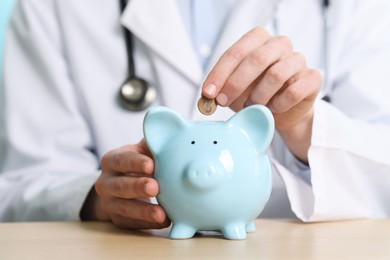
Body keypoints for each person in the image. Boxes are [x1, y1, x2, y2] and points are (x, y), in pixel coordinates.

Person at [1, 0, 390, 229]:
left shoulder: (353, 8)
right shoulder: (51, 8)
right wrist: (97, 200)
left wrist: (304, 127)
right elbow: (21, 184)